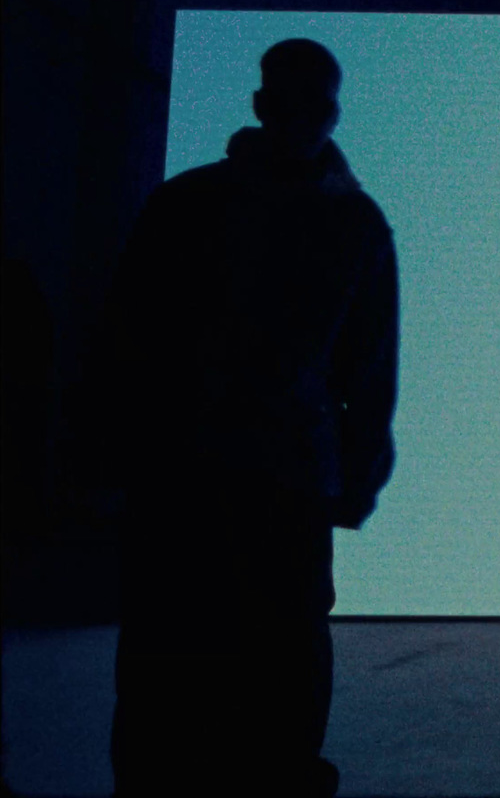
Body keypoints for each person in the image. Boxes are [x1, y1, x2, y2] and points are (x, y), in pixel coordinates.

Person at [90, 39, 399, 796]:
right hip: (209, 473)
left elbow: (368, 364)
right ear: (264, 107)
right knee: (205, 661)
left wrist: (356, 469)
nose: (304, 118)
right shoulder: (334, 221)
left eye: (316, 105)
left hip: (247, 477)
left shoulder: (331, 221)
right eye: (294, 102)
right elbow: (128, 338)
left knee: (255, 662)